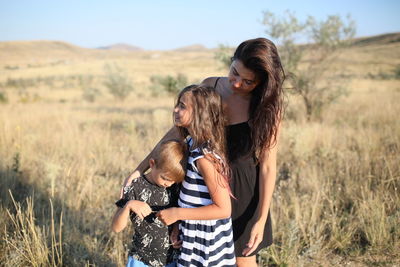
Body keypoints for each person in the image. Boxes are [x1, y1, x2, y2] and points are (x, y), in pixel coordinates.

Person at [121, 37, 285, 267]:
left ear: (262, 82)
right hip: (198, 190)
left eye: (248, 81)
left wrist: (259, 218)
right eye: (234, 72)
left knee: (243, 261)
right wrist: (140, 170)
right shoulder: (210, 87)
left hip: (242, 193)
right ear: (231, 61)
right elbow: (176, 133)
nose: (237, 83)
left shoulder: (267, 108)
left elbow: (268, 166)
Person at [157, 85, 236, 266]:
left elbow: (224, 209)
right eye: (177, 104)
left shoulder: (204, 157)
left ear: (201, 113)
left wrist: (177, 213)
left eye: (183, 106)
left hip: (206, 240)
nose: (176, 109)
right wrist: (179, 223)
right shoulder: (191, 142)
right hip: (193, 229)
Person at [112, 140, 188, 267]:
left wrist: (175, 229)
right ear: (152, 164)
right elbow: (116, 228)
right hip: (140, 260)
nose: (168, 184)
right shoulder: (135, 187)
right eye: (165, 178)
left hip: (170, 260)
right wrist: (129, 205)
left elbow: (176, 212)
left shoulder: (173, 188)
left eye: (173, 181)